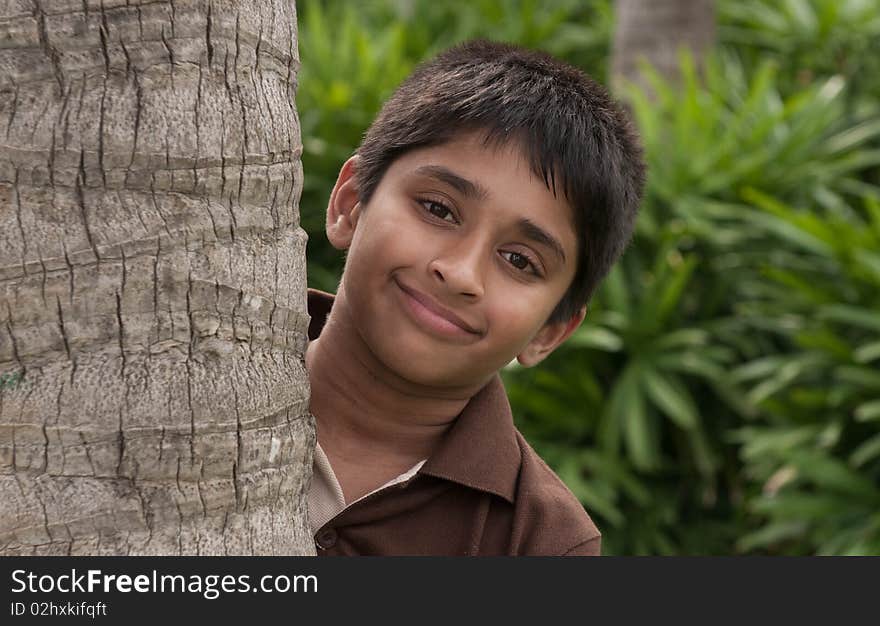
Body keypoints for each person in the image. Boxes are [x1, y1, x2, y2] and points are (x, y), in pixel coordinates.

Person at [305, 39, 645, 555]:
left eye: (520, 261)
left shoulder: (542, 543)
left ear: (551, 331)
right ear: (350, 204)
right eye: (439, 209)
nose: (461, 272)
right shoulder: (176, 360)